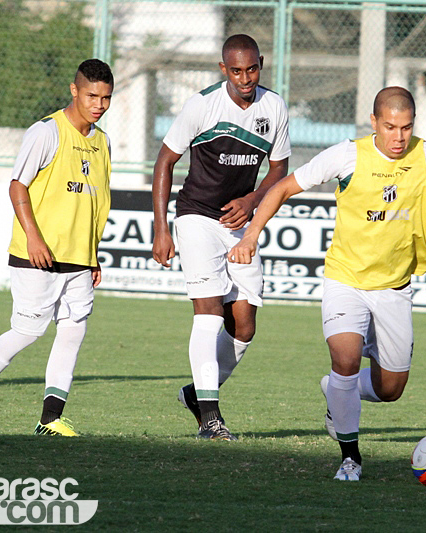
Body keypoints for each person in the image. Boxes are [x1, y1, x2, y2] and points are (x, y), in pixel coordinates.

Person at [228, 86, 426, 480]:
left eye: (406, 127)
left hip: (394, 289)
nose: (399, 137)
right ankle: (350, 457)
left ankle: (335, 389)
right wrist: (250, 236)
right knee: (346, 360)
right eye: (390, 127)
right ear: (374, 123)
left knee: (390, 389)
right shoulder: (347, 155)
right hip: (345, 280)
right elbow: (282, 188)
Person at [0, 59, 114, 437]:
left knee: (73, 331)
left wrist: (92, 253)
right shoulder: (47, 132)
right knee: (28, 330)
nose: (98, 104)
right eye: (92, 95)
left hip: (78, 257)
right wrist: (33, 236)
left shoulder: (102, 141)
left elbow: (96, 202)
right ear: (74, 90)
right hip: (38, 254)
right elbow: (17, 186)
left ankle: (50, 419)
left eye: (106, 98)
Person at [152, 34, 290, 440]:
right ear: (223, 69)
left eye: (252, 69)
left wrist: (251, 200)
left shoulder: (274, 106)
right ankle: (210, 420)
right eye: (236, 70)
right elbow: (166, 160)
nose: (245, 78)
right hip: (196, 217)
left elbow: (279, 170)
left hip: (240, 224)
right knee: (209, 314)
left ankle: (198, 394)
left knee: (244, 325)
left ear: (261, 64)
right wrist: (162, 228)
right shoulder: (202, 104)